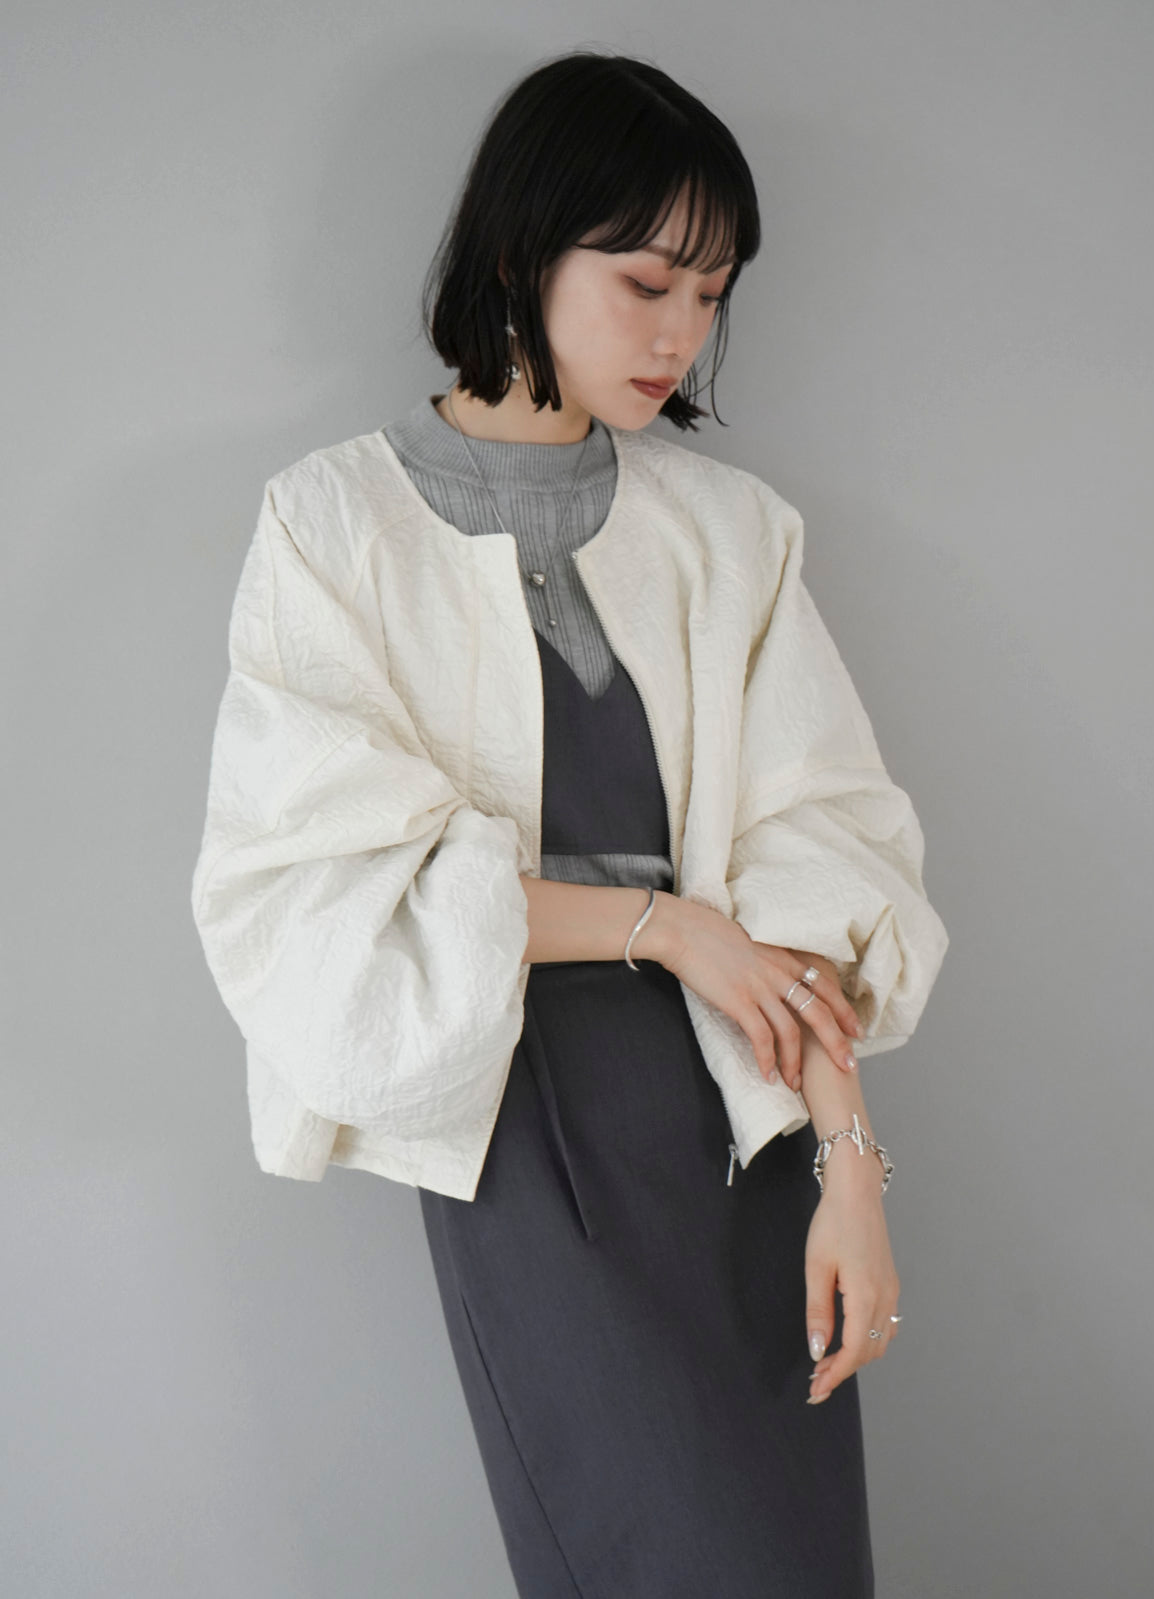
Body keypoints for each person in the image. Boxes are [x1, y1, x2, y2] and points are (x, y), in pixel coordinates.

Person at [191, 48, 949, 1599]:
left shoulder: (730, 534)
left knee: (802, 1565)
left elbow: (819, 858)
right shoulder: (331, 527)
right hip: (520, 1121)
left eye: (713, 295)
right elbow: (321, 873)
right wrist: (667, 925)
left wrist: (853, 1173)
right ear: (519, 253)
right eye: (647, 282)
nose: (682, 335)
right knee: (644, 1552)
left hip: (747, 1117)